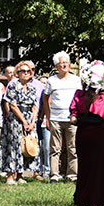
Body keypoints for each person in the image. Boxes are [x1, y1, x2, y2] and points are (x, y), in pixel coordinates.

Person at [71, 61, 104, 206]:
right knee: (100, 168)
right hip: (100, 135)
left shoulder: (80, 95)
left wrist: (82, 119)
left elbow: (73, 117)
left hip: (83, 134)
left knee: (85, 166)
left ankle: (83, 198)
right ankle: (98, 200)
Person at [43, 52, 82, 183]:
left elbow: (80, 98)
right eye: (62, 63)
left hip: (72, 119)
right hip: (56, 118)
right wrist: (48, 117)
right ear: (56, 66)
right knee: (55, 149)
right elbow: (45, 98)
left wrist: (77, 115)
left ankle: (72, 175)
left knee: (73, 148)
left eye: (66, 62)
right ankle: (54, 175)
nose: (65, 65)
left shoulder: (76, 80)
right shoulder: (51, 80)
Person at [0, 60, 40, 185]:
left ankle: (20, 175)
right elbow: (13, 105)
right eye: (23, 71)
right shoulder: (13, 85)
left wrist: (32, 122)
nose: (26, 73)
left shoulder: (32, 88)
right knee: (14, 146)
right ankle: (10, 175)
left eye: (28, 71)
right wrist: (24, 121)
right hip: (16, 119)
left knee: (26, 145)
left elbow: (35, 106)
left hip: (29, 117)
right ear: (18, 72)